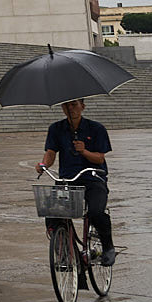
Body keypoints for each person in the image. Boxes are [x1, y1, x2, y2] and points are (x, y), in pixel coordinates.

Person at [37, 98, 115, 266]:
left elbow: (99, 157)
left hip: (93, 178)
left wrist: (84, 151)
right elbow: (51, 152)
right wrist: (44, 164)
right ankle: (63, 249)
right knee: (52, 213)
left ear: (82, 106)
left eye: (74, 105)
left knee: (95, 212)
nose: (70, 109)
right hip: (68, 179)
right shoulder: (56, 129)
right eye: (66, 105)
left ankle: (108, 247)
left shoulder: (96, 128)